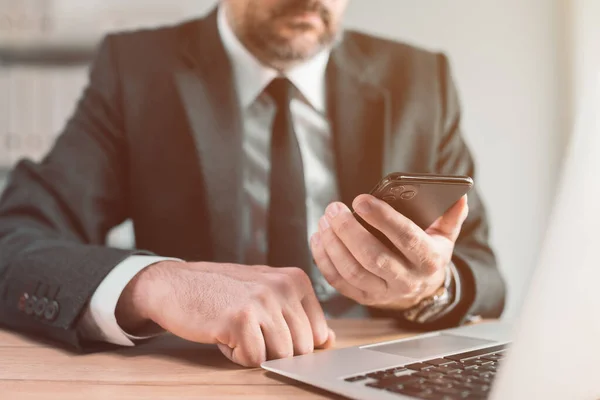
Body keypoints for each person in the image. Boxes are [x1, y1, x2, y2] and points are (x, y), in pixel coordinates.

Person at [0, 0, 505, 367]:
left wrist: (426, 290)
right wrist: (150, 284)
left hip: (376, 366)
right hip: (205, 371)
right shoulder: (136, 69)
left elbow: (482, 270)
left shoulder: (421, 78)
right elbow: (13, 240)